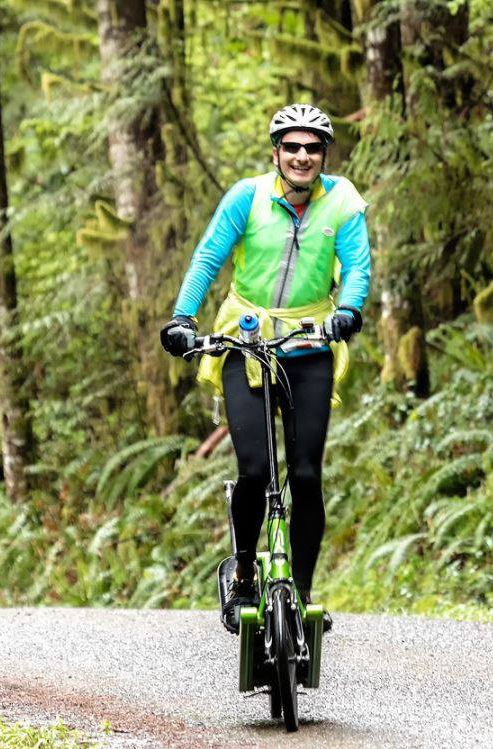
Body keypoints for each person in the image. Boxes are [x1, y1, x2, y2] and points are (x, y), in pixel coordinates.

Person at [160, 104, 371, 633]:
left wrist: (347, 312)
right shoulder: (247, 197)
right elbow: (209, 258)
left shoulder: (342, 201)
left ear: (324, 156)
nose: (302, 156)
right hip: (244, 342)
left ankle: (299, 596)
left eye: (313, 148)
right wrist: (183, 317)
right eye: (292, 146)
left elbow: (357, 267)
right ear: (276, 152)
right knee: (256, 470)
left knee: (305, 475)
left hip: (309, 344)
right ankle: (246, 575)